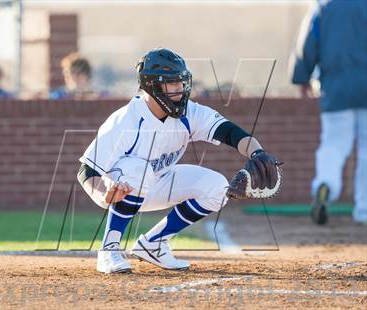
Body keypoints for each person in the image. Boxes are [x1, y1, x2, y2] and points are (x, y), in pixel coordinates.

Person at [77, 48, 279, 273]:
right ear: (152, 86)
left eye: (182, 83)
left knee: (217, 187)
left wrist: (257, 153)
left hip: (158, 183)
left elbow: (230, 132)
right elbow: (87, 171)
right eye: (172, 84)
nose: (180, 89)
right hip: (120, 189)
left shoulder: (189, 113)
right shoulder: (126, 120)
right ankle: (109, 249)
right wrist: (104, 192)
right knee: (138, 170)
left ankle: (154, 243)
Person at [290, 0, 367, 225]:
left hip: (335, 89)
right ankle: (364, 209)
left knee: (334, 144)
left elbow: (307, 44)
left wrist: (301, 77)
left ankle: (326, 185)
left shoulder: (324, 7)